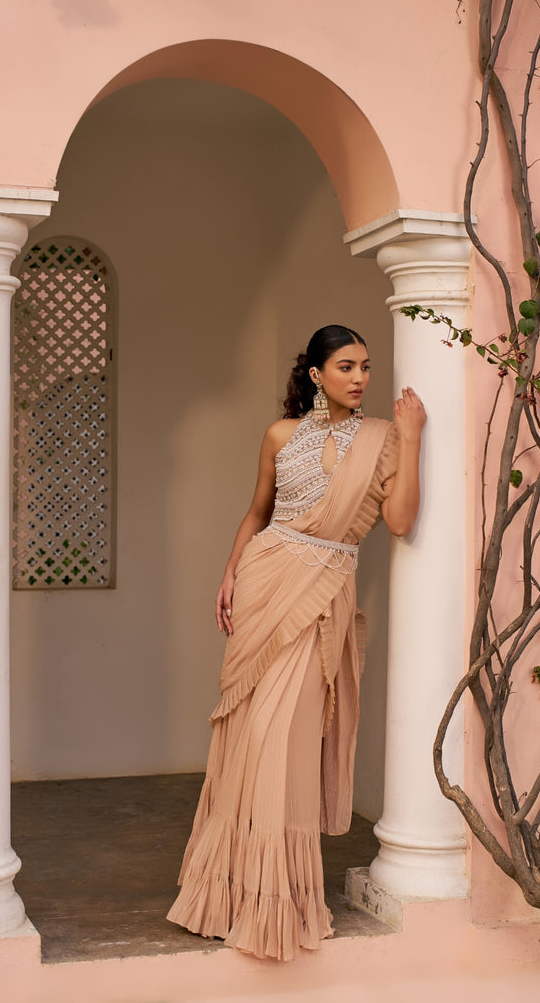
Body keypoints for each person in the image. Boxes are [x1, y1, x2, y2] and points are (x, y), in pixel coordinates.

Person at [166, 324, 425, 961]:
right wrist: (229, 573)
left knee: (285, 740)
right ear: (315, 374)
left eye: (365, 365)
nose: (360, 377)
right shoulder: (281, 436)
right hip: (264, 583)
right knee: (249, 735)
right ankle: (228, 895)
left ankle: (280, 900)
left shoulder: (384, 440)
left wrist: (412, 438)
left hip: (323, 593)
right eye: (345, 366)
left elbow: (399, 521)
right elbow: (258, 512)